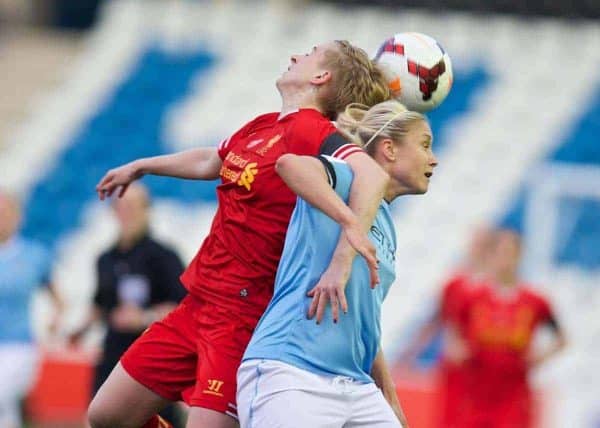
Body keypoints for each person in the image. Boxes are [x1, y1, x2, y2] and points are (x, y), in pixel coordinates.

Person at [89, 40, 391, 428]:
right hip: (196, 306)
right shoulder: (263, 124)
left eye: (310, 53)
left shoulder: (312, 131)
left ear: (321, 76)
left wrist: (347, 245)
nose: (296, 54)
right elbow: (210, 161)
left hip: (242, 318)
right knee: (106, 416)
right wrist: (142, 166)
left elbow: (372, 173)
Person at [237, 100, 438, 428]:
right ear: (388, 148)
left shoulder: (387, 226)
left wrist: (389, 396)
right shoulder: (347, 177)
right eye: (425, 145)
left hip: (354, 386)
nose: (434, 158)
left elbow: (363, 321)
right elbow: (289, 164)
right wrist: (349, 223)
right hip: (294, 372)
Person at [70, 183, 187, 427]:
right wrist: (78, 331)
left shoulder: (164, 256)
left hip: (152, 355)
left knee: (156, 420)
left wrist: (144, 317)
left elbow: (184, 307)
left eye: (133, 206)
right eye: (121, 207)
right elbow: (100, 303)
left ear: (147, 210)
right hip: (113, 354)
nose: (127, 213)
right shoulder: (105, 258)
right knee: (100, 417)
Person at [457, 229, 567, 428]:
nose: (505, 260)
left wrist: (541, 356)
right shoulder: (473, 297)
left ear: (520, 256)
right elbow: (456, 329)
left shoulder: (535, 301)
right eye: (501, 253)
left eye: (510, 253)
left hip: (514, 395)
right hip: (477, 392)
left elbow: (561, 338)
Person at [399, 227, 497, 427]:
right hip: (458, 368)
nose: (476, 249)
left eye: (483, 244)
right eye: (475, 243)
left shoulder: (498, 288)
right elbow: (439, 321)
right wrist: (409, 356)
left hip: (489, 367)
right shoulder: (455, 284)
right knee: (453, 418)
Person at [0, 189, 64, 428]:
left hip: (18, 345)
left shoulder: (33, 255)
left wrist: (55, 319)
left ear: (17, 217)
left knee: (2, 394)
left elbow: (57, 296)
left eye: (4, 213)